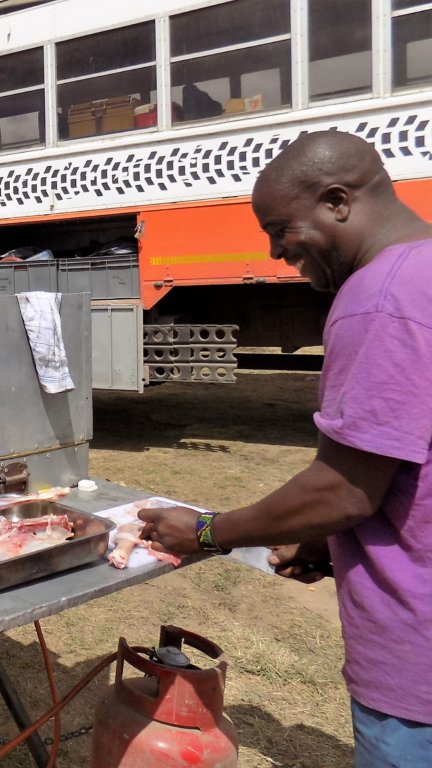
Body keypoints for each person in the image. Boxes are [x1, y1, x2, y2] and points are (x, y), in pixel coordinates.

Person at [137, 130, 432, 766]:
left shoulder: (377, 299)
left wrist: (211, 532)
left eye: (281, 229)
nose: (275, 251)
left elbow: (344, 488)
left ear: (337, 201)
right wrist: (325, 539)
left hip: (418, 658)